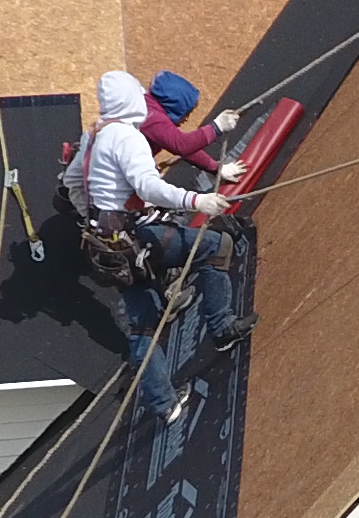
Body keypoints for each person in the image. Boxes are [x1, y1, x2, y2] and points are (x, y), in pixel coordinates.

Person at [79, 71, 244, 425]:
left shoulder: (94, 137)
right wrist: (196, 200)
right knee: (216, 246)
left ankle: (165, 405)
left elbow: (76, 188)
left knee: (143, 324)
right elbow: (150, 187)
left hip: (105, 248)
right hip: (135, 241)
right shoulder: (127, 138)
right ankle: (222, 327)